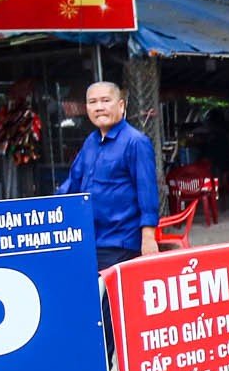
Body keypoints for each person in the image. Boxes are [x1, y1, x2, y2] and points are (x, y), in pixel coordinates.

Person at [61, 81, 160, 271]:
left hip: (120, 242)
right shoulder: (91, 142)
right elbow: (72, 184)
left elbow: (147, 191)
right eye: (93, 102)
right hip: (90, 239)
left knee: (113, 298)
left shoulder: (136, 142)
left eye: (105, 101)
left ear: (121, 106)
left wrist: (148, 238)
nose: (99, 107)